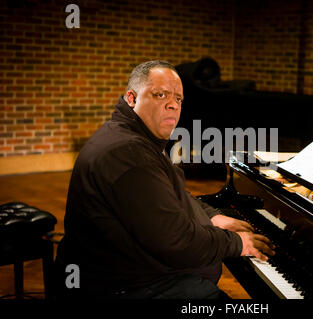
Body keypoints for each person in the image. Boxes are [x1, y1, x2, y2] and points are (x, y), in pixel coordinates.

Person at [55, 60, 275, 299]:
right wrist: (237, 243)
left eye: (178, 99)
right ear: (132, 98)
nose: (173, 105)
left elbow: (169, 195)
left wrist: (213, 217)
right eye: (160, 95)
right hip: (121, 286)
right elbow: (177, 243)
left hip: (123, 272)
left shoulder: (134, 136)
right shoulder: (129, 154)